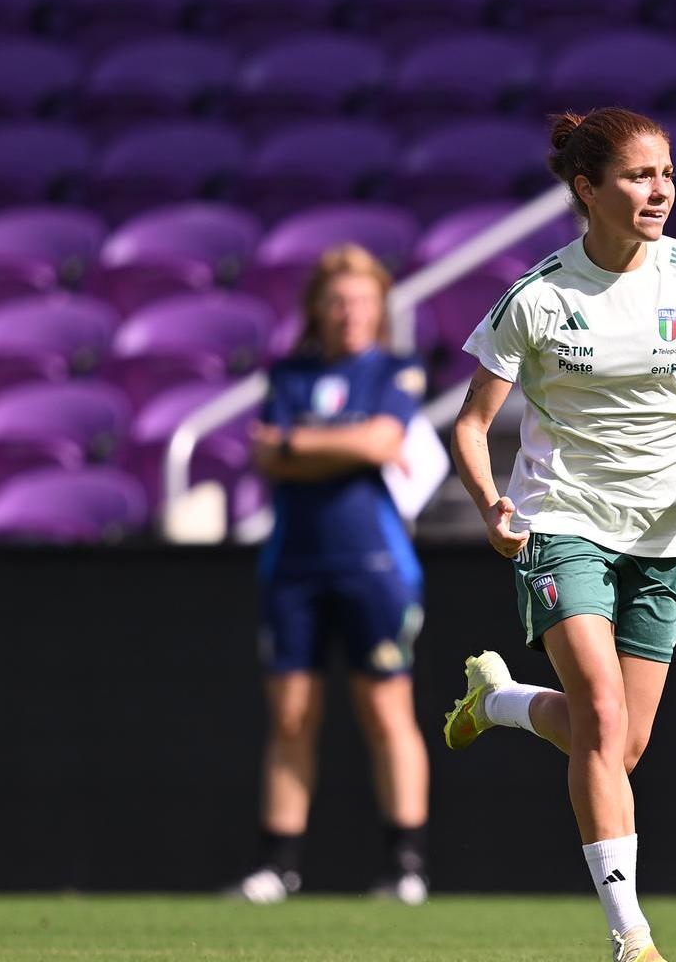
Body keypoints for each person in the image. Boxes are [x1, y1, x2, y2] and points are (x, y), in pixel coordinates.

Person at [441, 107, 676, 962]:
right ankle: (632, 938)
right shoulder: (539, 298)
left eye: (664, 173)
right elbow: (472, 425)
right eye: (637, 176)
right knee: (598, 712)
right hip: (564, 520)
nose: (658, 190)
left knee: (621, 743)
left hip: (667, 533)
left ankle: (501, 702)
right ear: (587, 190)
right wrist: (489, 504)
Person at [235, 243, 433, 906]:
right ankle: (277, 866)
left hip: (374, 565)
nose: (351, 313)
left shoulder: (395, 371)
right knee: (291, 716)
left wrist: (299, 444)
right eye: (339, 301)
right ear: (317, 308)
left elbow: (381, 442)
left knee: (385, 709)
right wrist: (333, 447)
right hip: (294, 564)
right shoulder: (288, 374)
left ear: (380, 309)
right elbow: (266, 458)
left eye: (363, 302)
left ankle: (405, 865)